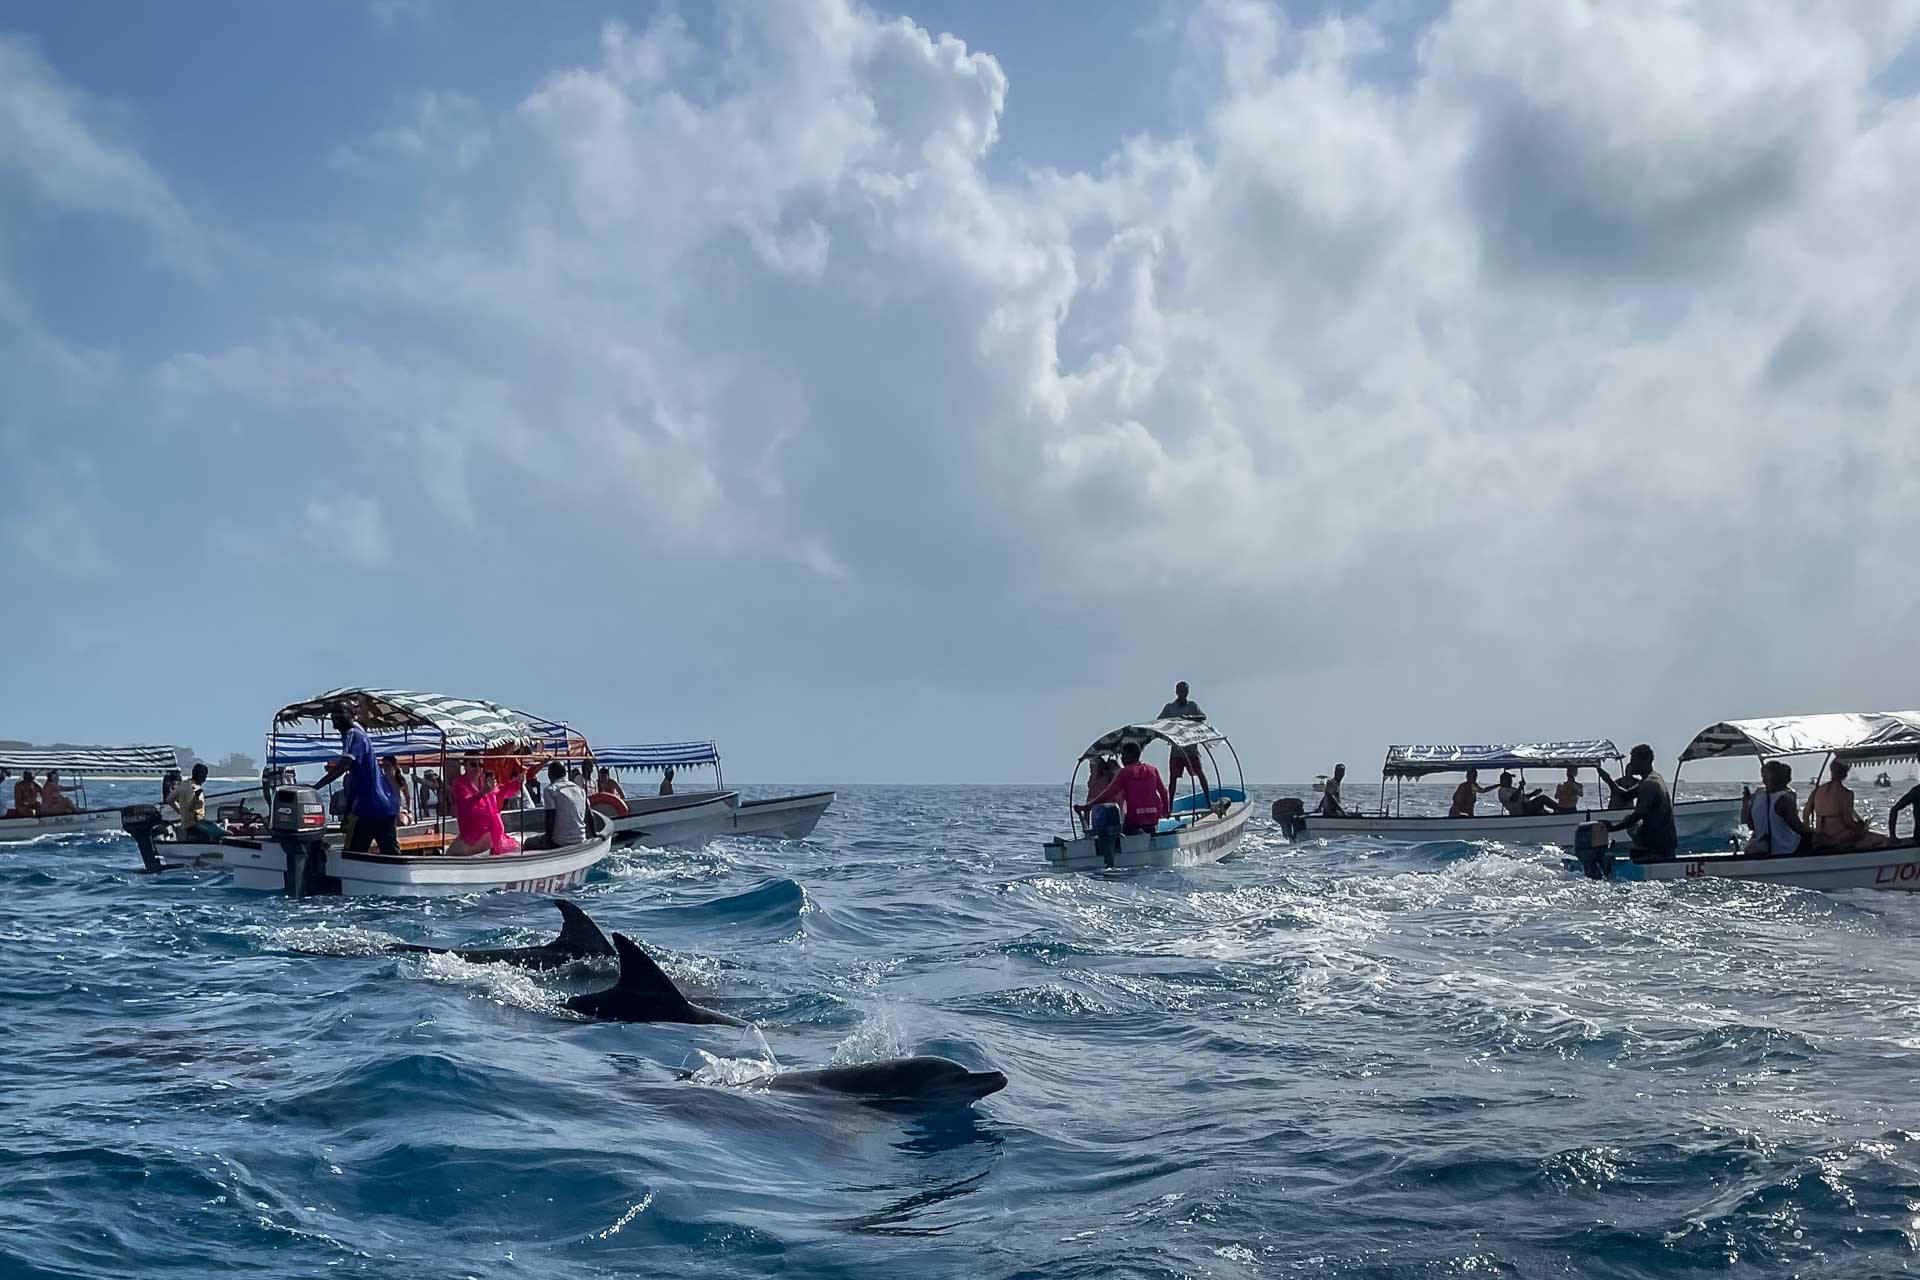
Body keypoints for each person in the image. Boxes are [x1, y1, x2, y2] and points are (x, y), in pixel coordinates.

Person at [313, 703, 402, 857]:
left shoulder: (354, 734)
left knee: (359, 854)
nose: (336, 716)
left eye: (341, 712)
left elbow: (343, 766)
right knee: (361, 852)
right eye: (334, 713)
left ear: (352, 715)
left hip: (376, 807)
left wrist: (315, 788)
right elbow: (355, 783)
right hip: (372, 808)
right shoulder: (352, 735)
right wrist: (348, 813)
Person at [1598, 744, 1676, 860]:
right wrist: (1608, 780)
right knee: (1629, 820)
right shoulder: (1653, 778)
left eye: (1633, 760)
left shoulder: (1649, 784)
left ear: (1643, 761)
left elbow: (1638, 814)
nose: (1631, 764)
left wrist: (1613, 828)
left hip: (1658, 846)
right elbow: (1625, 796)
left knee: (1631, 820)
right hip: (1664, 843)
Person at [1077, 740, 1170, 836]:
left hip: (1134, 821)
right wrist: (1166, 811)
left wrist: (1086, 807)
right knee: (1150, 834)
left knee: (1120, 833)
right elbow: (1164, 792)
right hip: (1153, 819)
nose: (1121, 758)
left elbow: (1108, 793)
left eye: (1123, 755)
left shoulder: (1126, 772)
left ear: (1131, 755)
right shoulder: (1153, 770)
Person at [1803, 760, 1890, 852]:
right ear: (1845, 773)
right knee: (1884, 840)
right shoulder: (1846, 793)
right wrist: (1862, 826)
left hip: (1821, 838)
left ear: (1831, 771)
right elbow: (1848, 821)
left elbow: (1805, 814)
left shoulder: (1817, 790)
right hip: (1840, 839)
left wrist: (1813, 833)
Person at [448, 757, 523, 856]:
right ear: (465, 765)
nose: (478, 768)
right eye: (473, 764)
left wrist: (517, 783)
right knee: (452, 854)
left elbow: (500, 792)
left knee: (455, 854)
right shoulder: (460, 784)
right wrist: (482, 793)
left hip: (489, 829)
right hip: (470, 830)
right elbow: (465, 805)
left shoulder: (485, 780)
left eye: (481, 765)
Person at [1157, 681, 1212, 804]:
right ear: (1176, 692)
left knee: (1199, 772)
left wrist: (1190, 718)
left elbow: (1203, 717)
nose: (1183, 693)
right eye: (1181, 691)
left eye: (1185, 691)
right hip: (1177, 748)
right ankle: (1169, 805)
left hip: (1191, 747)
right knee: (1173, 778)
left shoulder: (1192, 706)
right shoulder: (1169, 707)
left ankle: (1209, 801)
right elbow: (1159, 721)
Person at [1745, 760, 1810, 856]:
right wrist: (1816, 834)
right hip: (1783, 848)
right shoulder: (1783, 799)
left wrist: (1745, 804)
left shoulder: (1757, 796)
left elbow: (1751, 825)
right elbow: (1798, 828)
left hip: (1760, 843)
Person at [169, 762, 226, 843]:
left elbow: (170, 800)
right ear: (202, 777)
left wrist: (180, 811)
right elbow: (196, 808)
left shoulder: (182, 785)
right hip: (196, 824)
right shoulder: (197, 790)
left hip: (185, 823)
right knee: (227, 833)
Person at [541, 761, 589, 849]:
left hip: (560, 841)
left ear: (550, 775)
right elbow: (589, 814)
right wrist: (594, 835)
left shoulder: (550, 790)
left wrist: (548, 841)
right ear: (564, 773)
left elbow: (550, 817)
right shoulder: (580, 789)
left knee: (529, 842)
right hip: (581, 838)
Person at [380, 756, 413, 825]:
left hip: (400, 809)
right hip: (387, 810)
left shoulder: (400, 780)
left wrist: (409, 810)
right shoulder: (381, 780)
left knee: (401, 821)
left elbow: (407, 797)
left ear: (394, 766)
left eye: (387, 766)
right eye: (383, 765)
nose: (385, 768)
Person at [1890, 779, 1920, 844]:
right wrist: (1892, 835)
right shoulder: (1917, 791)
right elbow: (1894, 810)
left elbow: (1894, 810)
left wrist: (1892, 835)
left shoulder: (1916, 791)